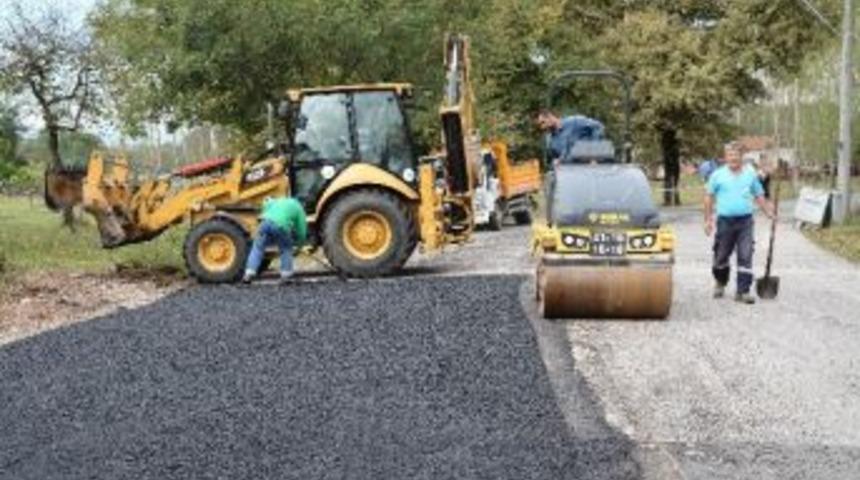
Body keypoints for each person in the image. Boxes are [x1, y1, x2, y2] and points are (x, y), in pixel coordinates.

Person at [704, 142, 775, 304]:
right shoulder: (717, 175)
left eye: (736, 155)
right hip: (724, 222)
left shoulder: (750, 174)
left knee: (746, 254)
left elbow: (759, 195)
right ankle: (721, 282)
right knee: (721, 257)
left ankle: (742, 291)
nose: (733, 158)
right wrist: (707, 220)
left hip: (745, 221)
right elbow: (708, 197)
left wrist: (769, 212)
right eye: (730, 155)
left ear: (741, 157)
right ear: (725, 157)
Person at [243, 195, 308, 284]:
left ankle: (249, 273)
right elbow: (301, 230)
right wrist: (300, 245)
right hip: (280, 226)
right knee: (285, 249)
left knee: (258, 248)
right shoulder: (299, 208)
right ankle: (286, 275)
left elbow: (267, 204)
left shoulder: (280, 200)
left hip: (265, 223)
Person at [537, 110, 605, 163]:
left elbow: (598, 127)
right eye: (540, 125)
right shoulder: (550, 141)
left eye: (543, 122)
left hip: (590, 168)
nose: (542, 127)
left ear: (550, 117)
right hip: (570, 175)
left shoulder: (575, 121)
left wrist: (594, 155)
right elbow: (557, 159)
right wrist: (557, 162)